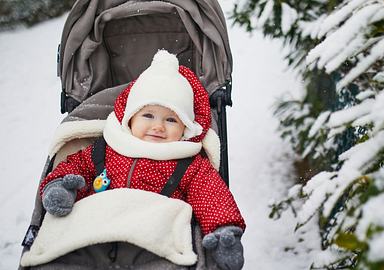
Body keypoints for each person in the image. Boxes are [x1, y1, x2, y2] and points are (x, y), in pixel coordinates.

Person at [38, 50, 246, 270]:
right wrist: (61, 185)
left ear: (185, 127)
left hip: (155, 240)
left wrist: (224, 229)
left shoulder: (188, 163)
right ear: (130, 118)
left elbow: (211, 194)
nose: (158, 126)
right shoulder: (106, 148)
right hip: (94, 231)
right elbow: (75, 165)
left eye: (171, 119)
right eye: (148, 115)